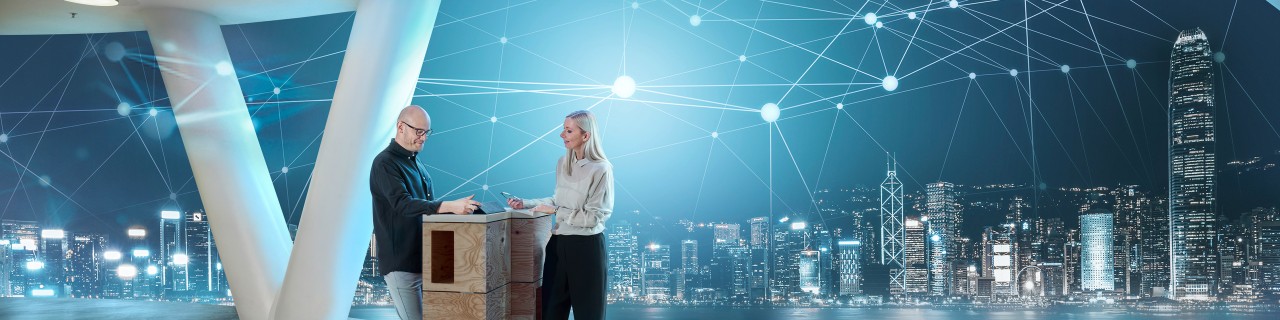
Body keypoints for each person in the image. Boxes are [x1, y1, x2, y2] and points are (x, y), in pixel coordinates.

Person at [370, 105, 481, 320]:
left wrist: (459, 209)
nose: (423, 138)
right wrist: (449, 206)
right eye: (418, 131)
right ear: (401, 127)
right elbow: (403, 205)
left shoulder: (416, 162)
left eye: (426, 132)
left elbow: (426, 207)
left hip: (428, 260)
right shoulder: (384, 164)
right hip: (401, 263)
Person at [507, 110, 614, 320]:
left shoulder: (601, 169)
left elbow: (594, 217)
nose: (561, 134)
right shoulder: (562, 163)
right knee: (550, 312)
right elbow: (557, 200)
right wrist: (525, 203)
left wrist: (557, 211)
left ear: (586, 136)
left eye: (568, 130)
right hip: (558, 244)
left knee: (589, 314)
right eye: (563, 129)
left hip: (586, 248)